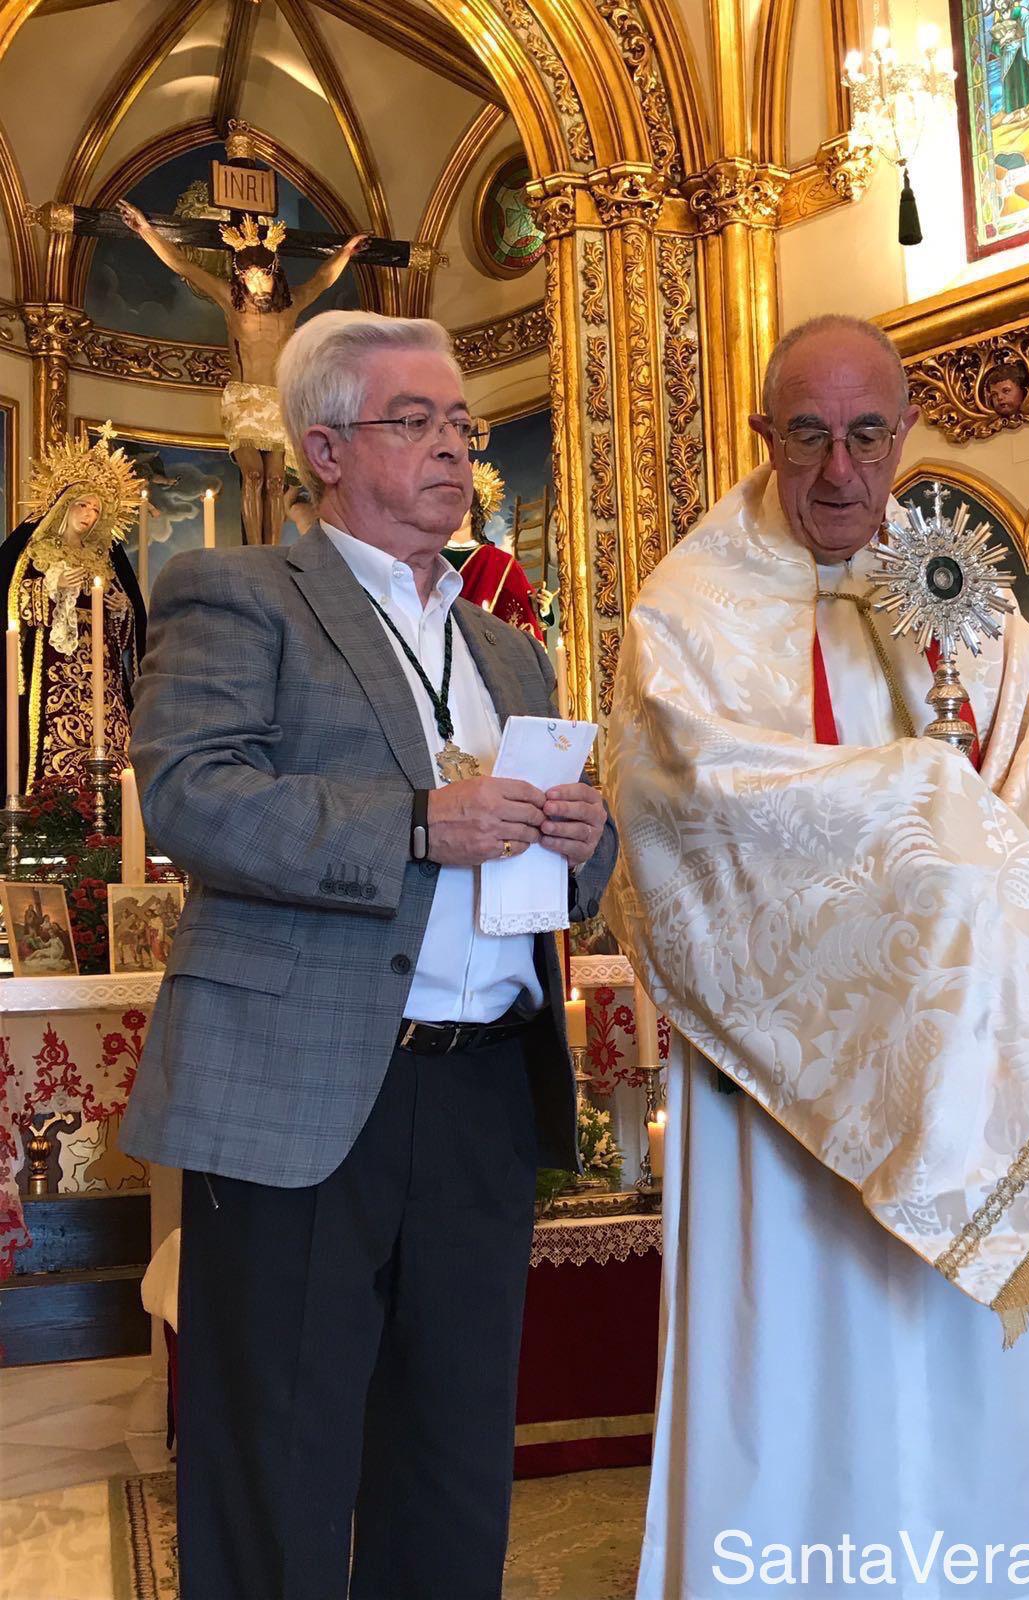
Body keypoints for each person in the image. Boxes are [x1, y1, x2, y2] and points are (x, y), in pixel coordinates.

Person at [604, 315, 1029, 1600]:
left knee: (951, 1360)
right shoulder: (687, 613)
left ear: (905, 435)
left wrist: (939, 827)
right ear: (764, 436)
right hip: (775, 1092)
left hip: (956, 1069)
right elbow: (690, 808)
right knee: (799, 1362)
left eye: (865, 435)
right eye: (806, 436)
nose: (839, 470)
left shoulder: (973, 605)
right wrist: (922, 801)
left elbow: (1018, 823)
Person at [120, 309, 616, 1600]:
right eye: (417, 422)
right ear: (324, 446)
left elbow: (563, 868)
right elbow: (191, 797)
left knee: (453, 1474)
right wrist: (411, 825)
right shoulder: (236, 595)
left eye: (462, 423)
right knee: (278, 1475)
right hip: (300, 1089)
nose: (455, 447)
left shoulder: (510, 644)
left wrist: (586, 834)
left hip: (481, 1097)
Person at [117, 199, 367, 546]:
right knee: (252, 475)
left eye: (262, 278)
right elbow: (184, 265)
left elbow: (322, 279)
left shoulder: (290, 304)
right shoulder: (229, 300)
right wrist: (146, 230)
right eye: (249, 279)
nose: (257, 286)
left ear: (274, 273)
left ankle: (273, 550)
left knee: (276, 481)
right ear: (240, 278)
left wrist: (346, 252)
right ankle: (256, 549)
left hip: (278, 401)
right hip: (245, 400)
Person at [0, 427, 146, 790]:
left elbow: (130, 624)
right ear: (64, 505)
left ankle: (112, 810)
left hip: (102, 669)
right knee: (56, 738)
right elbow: (12, 602)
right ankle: (53, 807)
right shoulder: (34, 551)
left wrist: (120, 609)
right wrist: (52, 589)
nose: (90, 515)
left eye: (97, 509)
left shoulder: (106, 558)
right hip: (52, 667)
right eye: (83, 504)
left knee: (110, 739)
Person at [443, 459, 548, 640]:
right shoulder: (426, 558)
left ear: (474, 510)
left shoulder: (501, 563)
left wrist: (542, 608)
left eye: (463, 503)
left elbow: (523, 613)